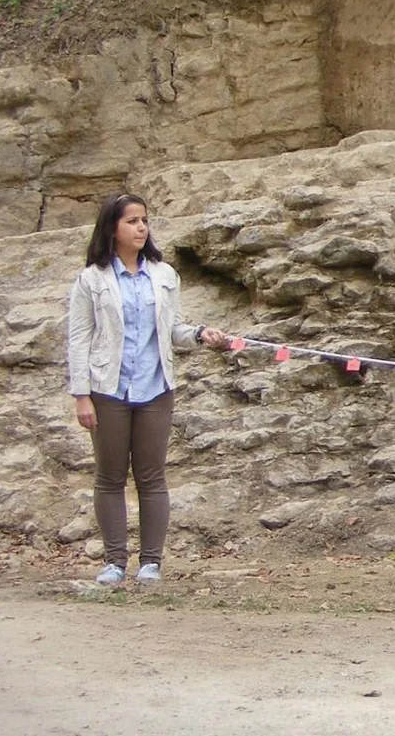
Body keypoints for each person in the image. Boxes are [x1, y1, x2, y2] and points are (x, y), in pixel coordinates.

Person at [66, 193, 229, 586]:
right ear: (112, 228)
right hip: (108, 389)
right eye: (131, 221)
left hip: (156, 388)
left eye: (144, 220)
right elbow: (79, 339)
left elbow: (172, 330)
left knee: (152, 476)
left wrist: (199, 334)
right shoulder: (91, 279)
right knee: (110, 476)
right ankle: (114, 561)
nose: (141, 228)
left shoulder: (163, 274)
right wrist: (81, 394)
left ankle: (151, 562)